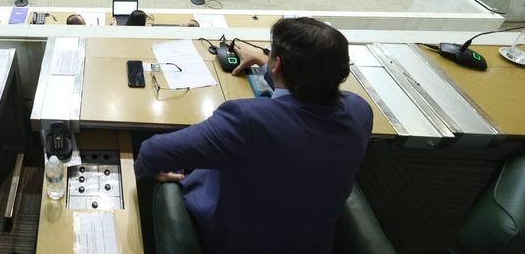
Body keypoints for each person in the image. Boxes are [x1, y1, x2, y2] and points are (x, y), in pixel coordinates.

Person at [134, 17, 372, 253]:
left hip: (236, 241)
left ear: (277, 64)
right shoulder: (360, 111)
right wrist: (264, 62)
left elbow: (153, 152)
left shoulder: (248, 121)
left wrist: (151, 172)